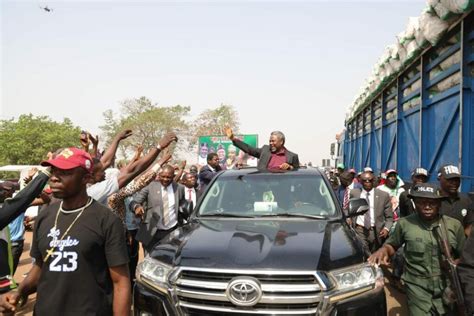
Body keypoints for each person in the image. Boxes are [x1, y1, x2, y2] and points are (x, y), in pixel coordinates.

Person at [0, 148, 130, 315]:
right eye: (54, 171)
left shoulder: (106, 220)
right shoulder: (45, 217)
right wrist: (19, 292)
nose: (54, 177)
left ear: (86, 178)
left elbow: (121, 282)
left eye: (64, 172)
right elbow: (41, 265)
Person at [368, 183, 465, 315]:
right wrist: (383, 251)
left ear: (440, 204)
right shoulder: (405, 224)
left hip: (446, 286)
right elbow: (392, 245)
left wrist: (455, 264)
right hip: (417, 288)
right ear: (414, 203)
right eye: (421, 202)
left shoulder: (454, 225)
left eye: (432, 202)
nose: (427, 206)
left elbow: (465, 257)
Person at [87, 131, 177, 204]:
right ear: (90, 176)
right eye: (102, 171)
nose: (105, 173)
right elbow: (134, 175)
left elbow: (105, 162)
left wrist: (117, 138)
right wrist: (159, 149)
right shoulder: (100, 193)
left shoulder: (88, 188)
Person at [131, 165, 186, 253]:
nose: (165, 179)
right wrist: (137, 207)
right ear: (159, 175)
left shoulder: (179, 188)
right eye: (163, 176)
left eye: (169, 177)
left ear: (173, 176)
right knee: (149, 260)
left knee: (169, 259)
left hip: (171, 231)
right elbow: (134, 201)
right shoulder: (150, 187)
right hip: (151, 232)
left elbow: (183, 207)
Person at [350, 171, 393, 253]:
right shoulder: (354, 193)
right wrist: (349, 219)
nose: (367, 182)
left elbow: (389, 218)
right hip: (360, 229)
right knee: (364, 252)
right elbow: (348, 209)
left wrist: (386, 228)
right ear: (360, 181)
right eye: (365, 180)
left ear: (373, 181)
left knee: (374, 253)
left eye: (370, 180)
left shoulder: (383, 195)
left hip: (377, 231)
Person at [224, 127, 299, 171]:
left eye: (273, 141)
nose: (271, 143)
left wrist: (290, 167)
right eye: (270, 141)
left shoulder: (292, 156)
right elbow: (249, 149)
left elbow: (297, 173)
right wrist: (233, 138)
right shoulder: (265, 150)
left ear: (281, 142)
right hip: (263, 188)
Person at [437, 164, 474, 236]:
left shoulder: (465, 200)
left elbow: (469, 225)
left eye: (457, 180)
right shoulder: (433, 199)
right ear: (439, 178)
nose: (454, 183)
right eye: (450, 180)